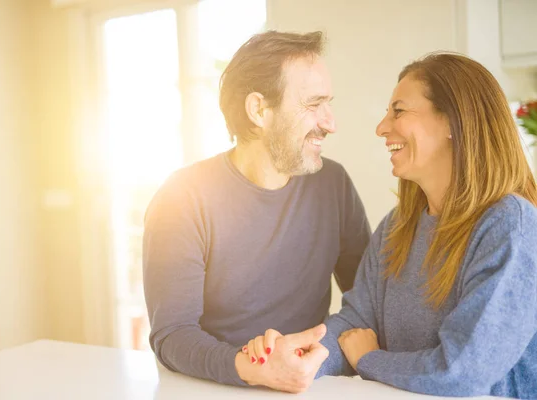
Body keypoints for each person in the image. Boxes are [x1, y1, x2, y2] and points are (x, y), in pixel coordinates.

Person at [244, 52, 537, 398]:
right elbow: (355, 324)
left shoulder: (510, 226)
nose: (382, 127)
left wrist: (369, 359)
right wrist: (298, 355)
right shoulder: (397, 226)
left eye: (398, 111)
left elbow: (460, 371)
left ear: (453, 122)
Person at [142, 30, 371, 391]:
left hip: (310, 385)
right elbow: (172, 334)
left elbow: (368, 298)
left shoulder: (333, 183)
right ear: (259, 109)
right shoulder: (182, 197)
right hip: (211, 389)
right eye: (313, 104)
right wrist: (254, 368)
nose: (330, 123)